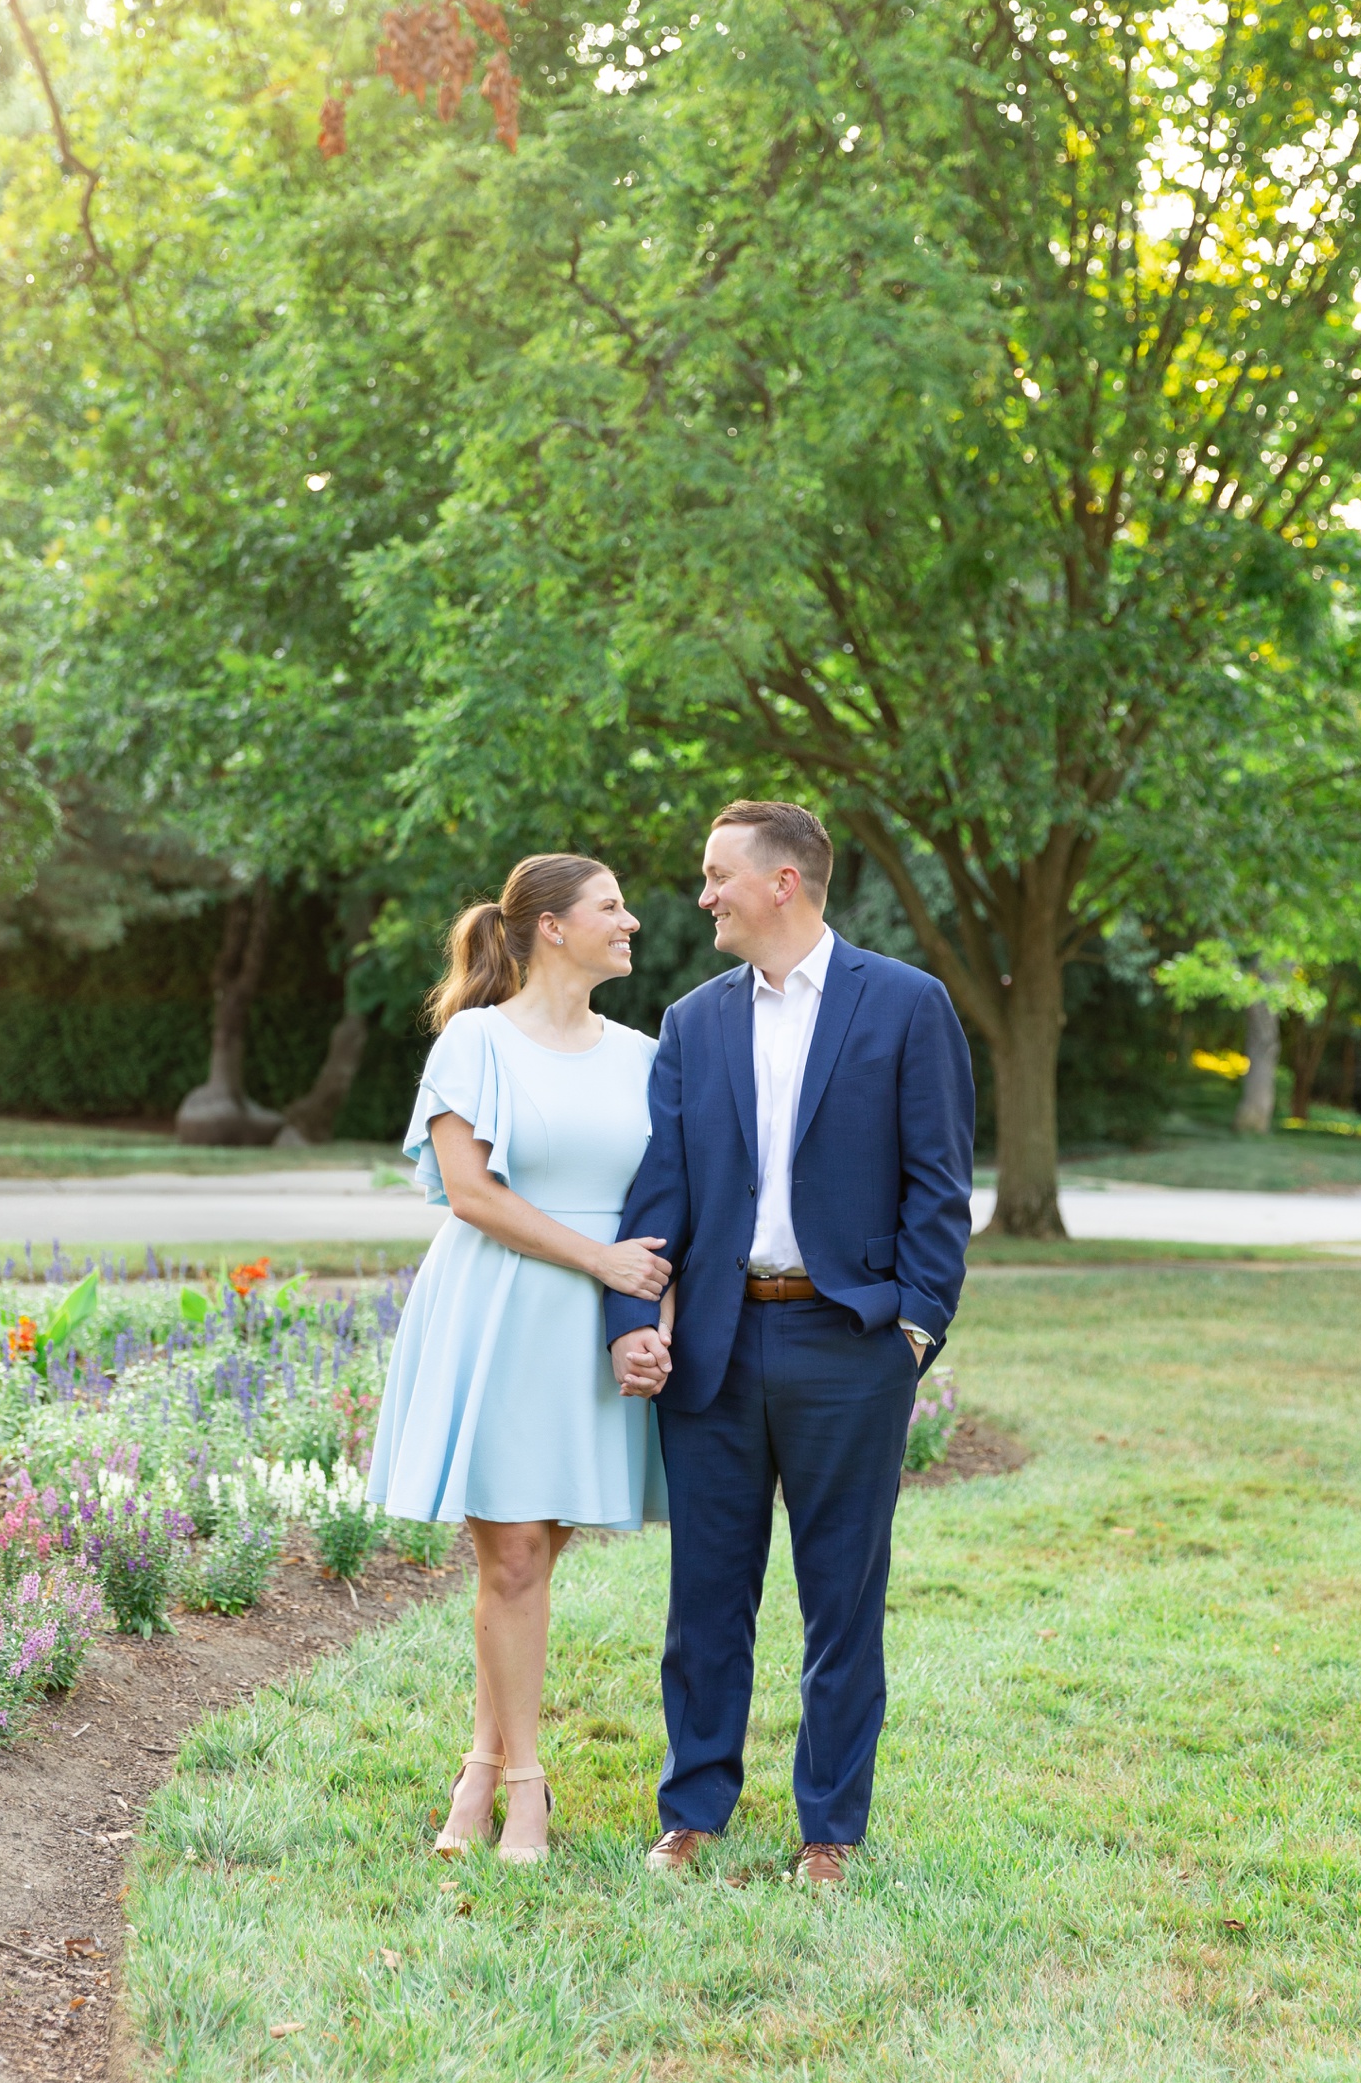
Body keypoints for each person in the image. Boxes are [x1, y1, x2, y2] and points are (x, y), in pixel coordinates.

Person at [606, 802, 974, 1885]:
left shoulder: (907, 1006)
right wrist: (639, 1322)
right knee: (705, 1599)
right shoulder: (693, 1020)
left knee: (841, 1601)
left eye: (719, 875)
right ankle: (693, 1812)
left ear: (784, 883)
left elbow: (940, 1189)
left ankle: (829, 1831)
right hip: (715, 1348)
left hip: (847, 1342)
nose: (704, 894)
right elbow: (658, 1192)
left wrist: (909, 1330)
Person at [367, 855, 672, 1863]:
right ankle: (522, 1791)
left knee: (540, 1554)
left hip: (595, 1326)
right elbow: (471, 1193)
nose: (631, 921)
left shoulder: (643, 1054)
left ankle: (480, 1770)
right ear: (550, 927)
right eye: (610, 908)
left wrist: (648, 1310)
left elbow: (665, 1202)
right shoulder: (475, 1040)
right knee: (509, 1559)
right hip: (500, 1308)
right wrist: (601, 1262)